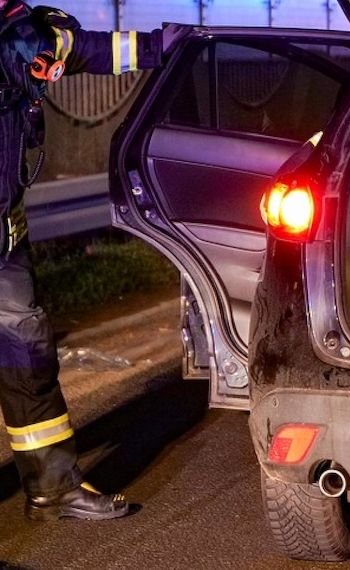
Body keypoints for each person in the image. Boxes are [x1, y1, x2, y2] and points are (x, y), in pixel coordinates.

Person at [0, 1, 172, 520]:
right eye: (38, 67)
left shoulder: (31, 33)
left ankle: (53, 488)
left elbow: (99, 50)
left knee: (28, 363)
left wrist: (168, 44)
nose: (45, 72)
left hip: (5, 248)